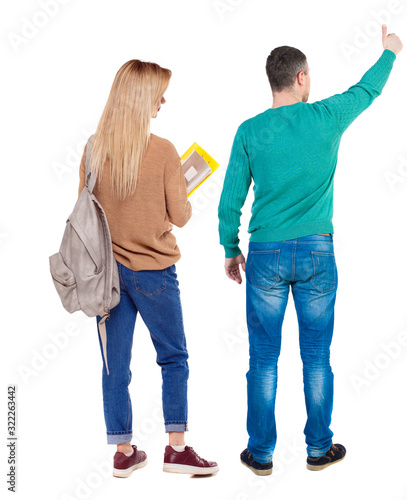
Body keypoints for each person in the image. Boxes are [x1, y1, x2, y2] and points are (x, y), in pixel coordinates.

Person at [218, 25, 403, 475]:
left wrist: (230, 247)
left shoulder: (249, 131)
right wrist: (390, 52)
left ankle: (260, 454)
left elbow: (230, 199)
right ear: (301, 78)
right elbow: (368, 89)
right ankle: (319, 448)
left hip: (264, 255)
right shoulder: (326, 116)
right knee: (316, 355)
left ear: (272, 81)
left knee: (262, 357)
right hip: (319, 253)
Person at [78, 59, 218, 478]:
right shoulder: (163, 151)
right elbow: (181, 216)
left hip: (107, 278)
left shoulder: (93, 149)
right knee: (173, 358)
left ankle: (123, 452)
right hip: (155, 273)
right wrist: (183, 190)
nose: (163, 100)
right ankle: (176, 450)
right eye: (159, 92)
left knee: (114, 366)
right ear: (141, 99)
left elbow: (86, 216)